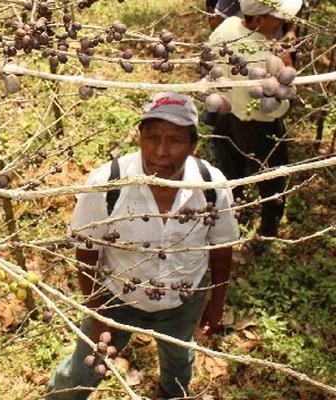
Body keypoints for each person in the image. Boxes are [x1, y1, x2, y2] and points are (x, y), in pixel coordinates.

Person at [46, 92, 239, 400]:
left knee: (178, 364)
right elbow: (86, 250)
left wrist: (216, 302)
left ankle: (170, 393)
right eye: (152, 137)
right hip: (116, 299)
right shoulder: (107, 184)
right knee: (82, 373)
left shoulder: (212, 188)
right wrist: (96, 314)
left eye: (174, 141)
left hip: (182, 303)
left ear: (193, 146)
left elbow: (221, 247)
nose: (160, 151)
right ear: (139, 138)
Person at [208, 0, 302, 238]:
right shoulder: (268, 55)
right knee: (272, 178)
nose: (282, 21)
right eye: (277, 16)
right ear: (259, 20)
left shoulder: (227, 26)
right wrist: (287, 66)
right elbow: (277, 106)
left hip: (226, 119)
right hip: (260, 127)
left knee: (232, 171)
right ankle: (268, 228)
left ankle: (236, 214)